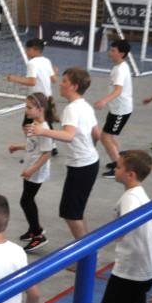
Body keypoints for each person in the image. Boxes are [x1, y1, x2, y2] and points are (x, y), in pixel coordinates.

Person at [28, 68, 100, 241]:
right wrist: (89, 149)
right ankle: (87, 245)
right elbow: (96, 133)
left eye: (65, 81)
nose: (60, 83)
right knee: (77, 210)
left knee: (70, 213)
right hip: (91, 162)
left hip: (81, 166)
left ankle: (85, 253)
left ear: (74, 86)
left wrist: (43, 131)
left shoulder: (71, 109)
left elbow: (69, 136)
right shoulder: (85, 106)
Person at [104, 149, 152, 303]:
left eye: (118, 167)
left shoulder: (129, 199)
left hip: (131, 269)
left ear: (131, 174)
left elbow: (124, 228)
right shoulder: (140, 193)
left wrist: (109, 236)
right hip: (145, 265)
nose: (114, 169)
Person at [6, 93, 56, 253]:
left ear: (40, 109)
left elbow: (47, 153)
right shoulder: (35, 123)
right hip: (30, 168)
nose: (26, 110)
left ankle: (38, 234)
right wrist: (18, 147)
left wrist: (31, 170)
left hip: (36, 171)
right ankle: (33, 229)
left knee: (26, 201)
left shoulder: (45, 129)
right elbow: (32, 145)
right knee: (27, 199)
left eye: (29, 107)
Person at [97, 39, 133, 179]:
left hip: (121, 109)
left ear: (122, 54)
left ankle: (118, 166)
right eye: (110, 49)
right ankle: (121, 161)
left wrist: (104, 100)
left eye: (113, 50)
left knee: (105, 137)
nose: (109, 52)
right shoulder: (118, 67)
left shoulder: (121, 70)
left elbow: (118, 90)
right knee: (110, 136)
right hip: (116, 109)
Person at [6, 37, 57, 125]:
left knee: (28, 124)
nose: (26, 51)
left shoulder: (32, 63)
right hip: (48, 98)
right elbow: (54, 80)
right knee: (46, 123)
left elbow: (32, 82)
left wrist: (14, 79)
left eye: (28, 49)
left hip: (38, 99)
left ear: (36, 50)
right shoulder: (46, 61)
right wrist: (54, 72)